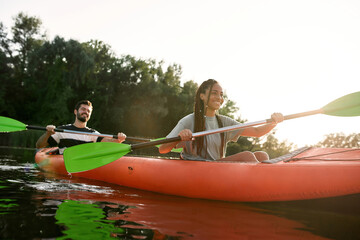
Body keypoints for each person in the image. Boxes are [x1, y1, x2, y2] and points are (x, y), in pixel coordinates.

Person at [159, 79, 284, 162]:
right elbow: (163, 149)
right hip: (199, 168)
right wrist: (181, 136)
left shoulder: (224, 122)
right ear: (202, 96)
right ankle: (264, 185)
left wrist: (273, 122)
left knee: (262, 155)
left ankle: (266, 184)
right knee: (247, 156)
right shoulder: (189, 120)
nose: (219, 97)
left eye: (221, 94)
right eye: (214, 93)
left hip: (217, 168)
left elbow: (257, 132)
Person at [36, 100, 126, 153]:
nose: (86, 112)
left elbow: (109, 142)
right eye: (83, 109)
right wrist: (47, 134)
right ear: (75, 112)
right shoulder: (61, 130)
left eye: (88, 111)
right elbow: (39, 145)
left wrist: (119, 140)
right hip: (64, 166)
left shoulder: (93, 134)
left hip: (83, 166)